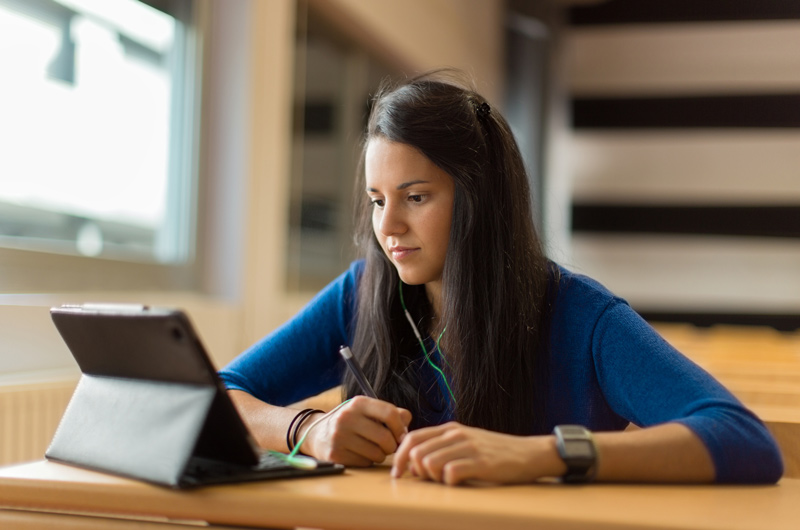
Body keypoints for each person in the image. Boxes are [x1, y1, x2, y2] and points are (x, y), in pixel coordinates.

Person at [220, 70, 783, 486]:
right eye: (376, 200)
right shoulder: (362, 290)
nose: (387, 226)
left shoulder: (580, 317)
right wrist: (305, 430)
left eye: (415, 197)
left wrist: (544, 454)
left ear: (479, 201)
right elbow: (214, 394)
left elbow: (745, 440)